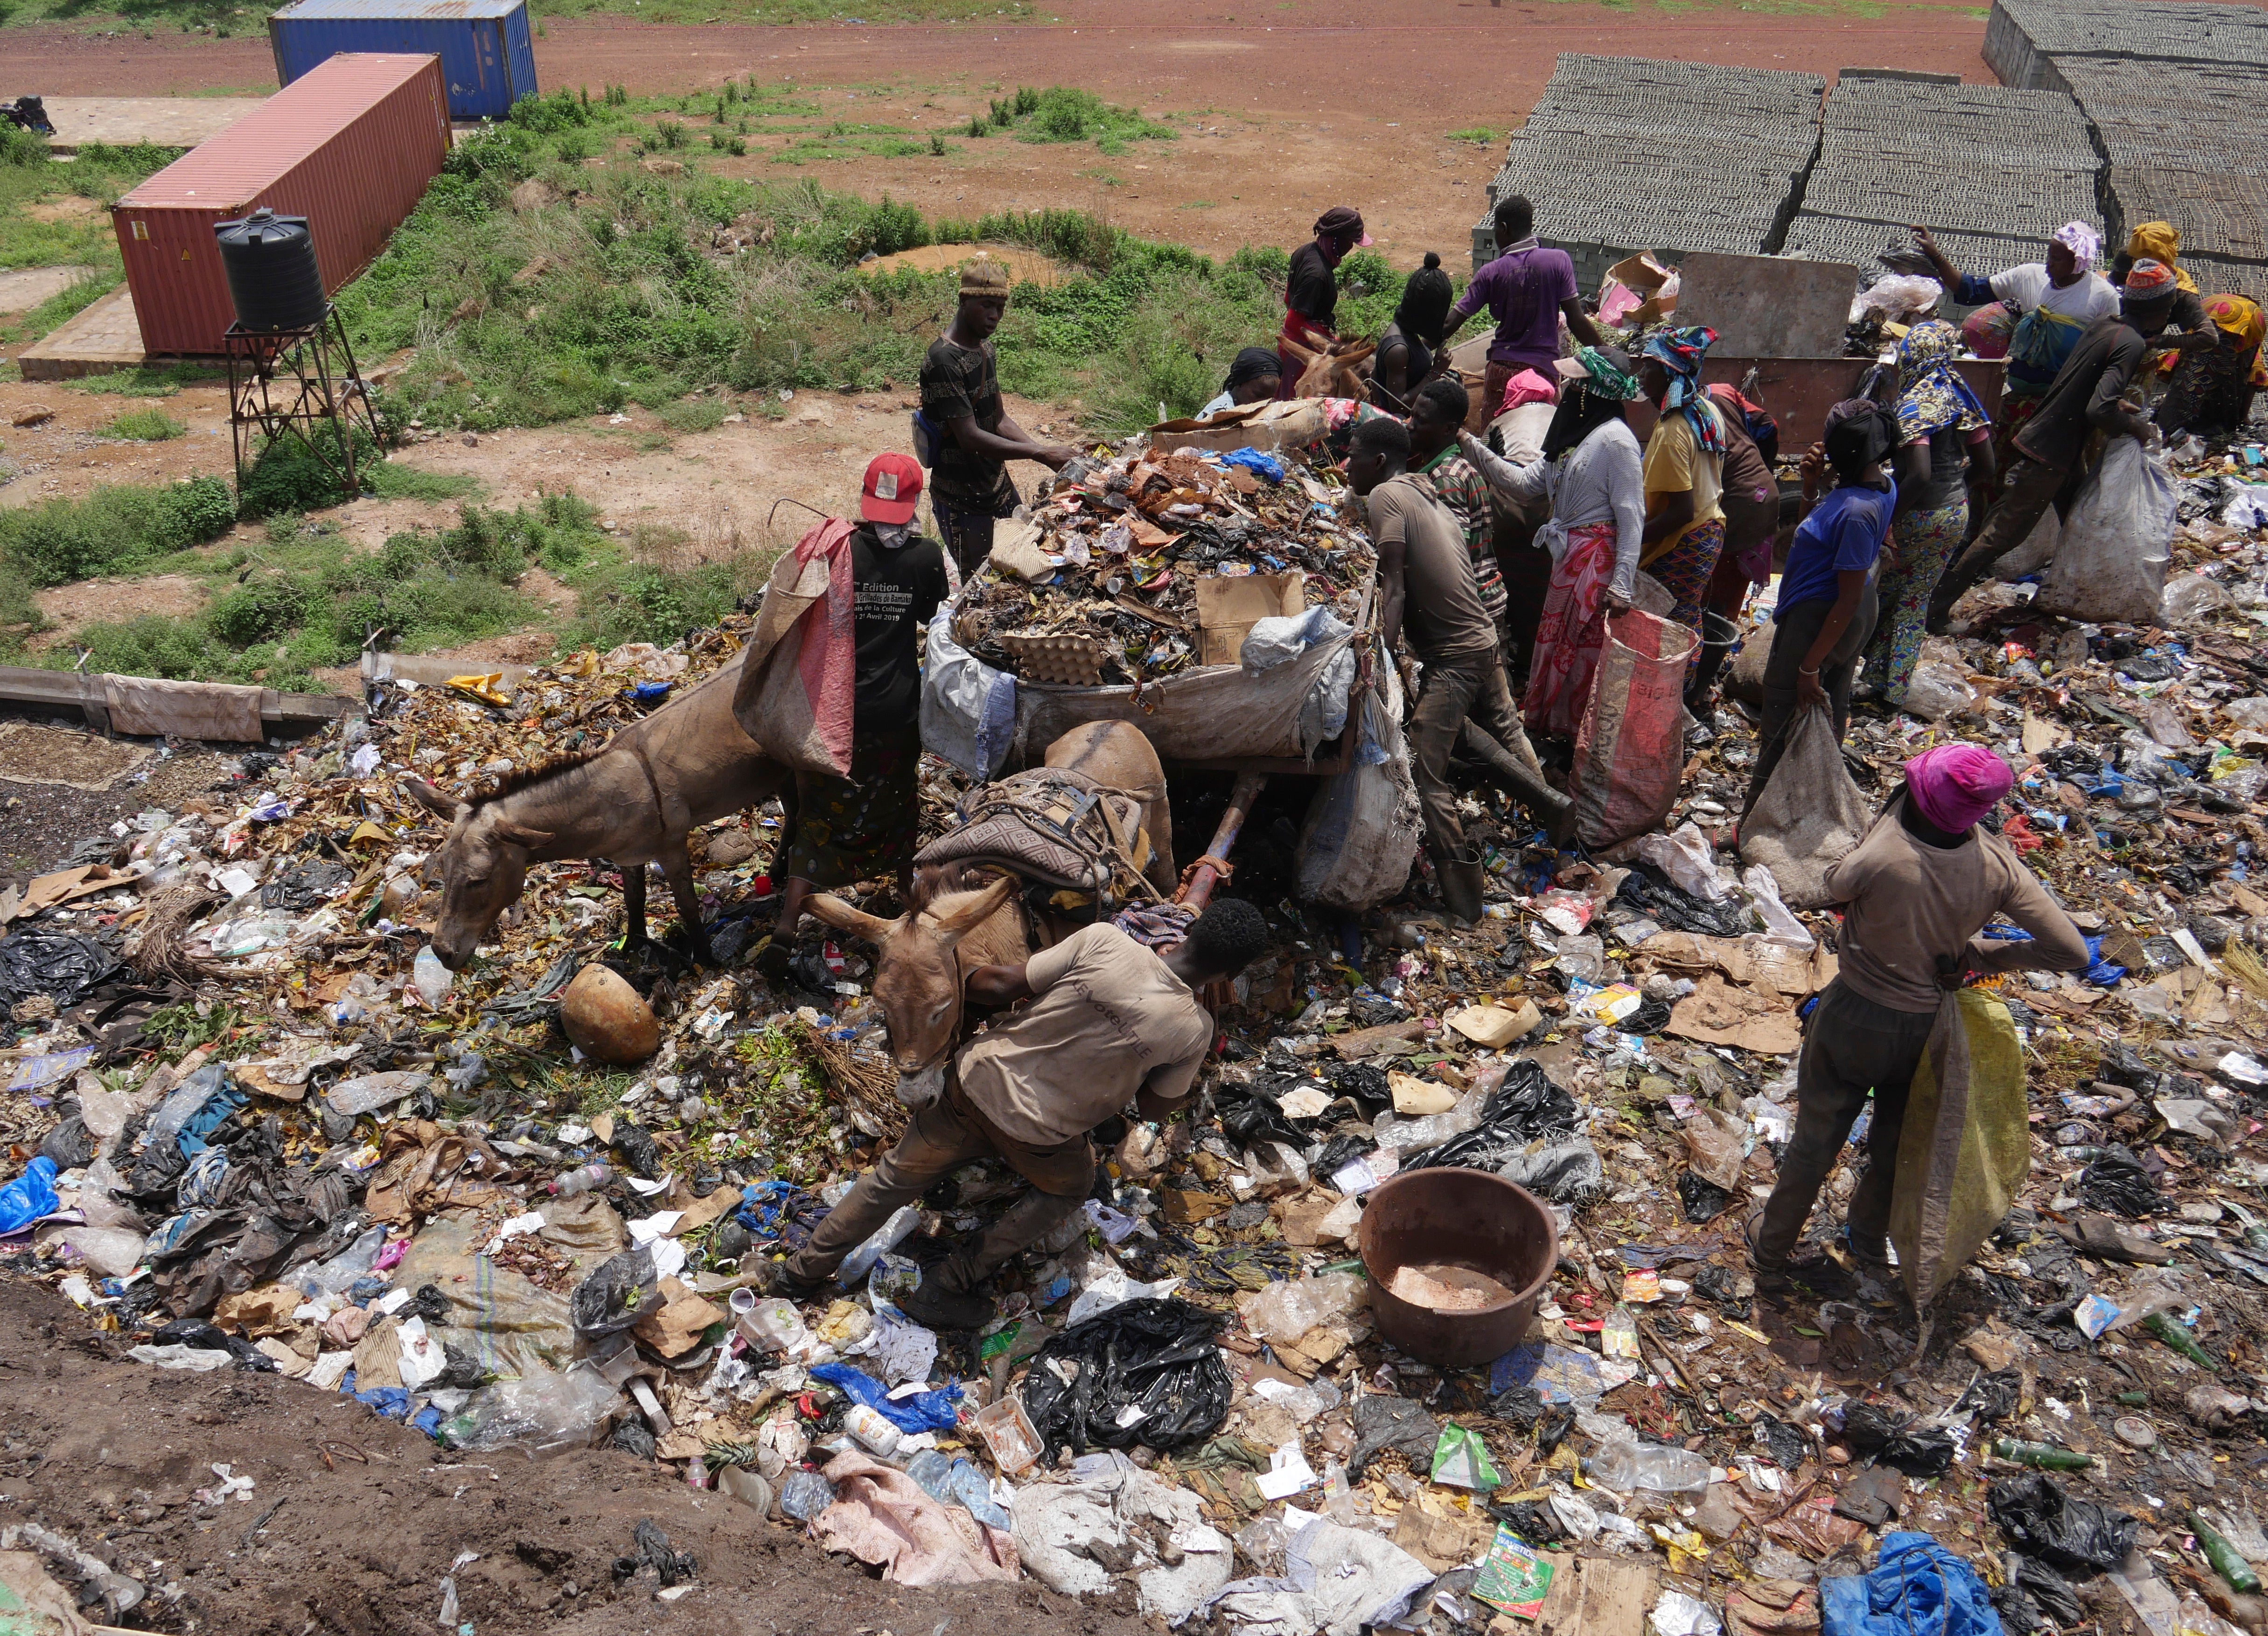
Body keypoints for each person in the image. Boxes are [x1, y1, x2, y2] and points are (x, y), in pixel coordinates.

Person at [762, 900, 1270, 1328]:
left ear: (1186, 932)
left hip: (970, 1086)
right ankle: (949, 1283)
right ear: (1231, 975)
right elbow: (1154, 1106)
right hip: (1037, 1137)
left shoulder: (1104, 941)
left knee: (890, 1180)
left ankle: (798, 1275)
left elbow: (1003, 986)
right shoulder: (1193, 1029)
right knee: (1072, 1187)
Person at [1745, 745, 2089, 1293]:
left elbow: (1834, 886)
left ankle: (1772, 1247)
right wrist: (1979, 955)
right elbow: (2070, 950)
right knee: (1895, 1143)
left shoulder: (1882, 855)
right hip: (1929, 1026)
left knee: (1816, 1140)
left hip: (1854, 1015)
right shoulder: (1997, 865)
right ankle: (1866, 1238)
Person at [1346, 416, 1565, 922]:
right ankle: (1553, 805)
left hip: (1456, 655)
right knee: (1464, 732)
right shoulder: (1426, 492)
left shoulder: (1384, 497)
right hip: (1481, 636)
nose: (1346, 465)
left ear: (1377, 461)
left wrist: (1380, 661)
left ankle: (1464, 901)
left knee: (1422, 768)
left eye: (1352, 455)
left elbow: (1394, 586)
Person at [1926, 259, 2188, 632]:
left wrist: (2117, 406)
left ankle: (2077, 594)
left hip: (2056, 438)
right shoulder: (2129, 344)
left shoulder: (2105, 326)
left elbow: (2084, 384)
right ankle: (1936, 608)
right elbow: (2098, 409)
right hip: (2052, 448)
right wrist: (2137, 427)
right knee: (2003, 534)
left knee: (2080, 519)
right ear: (2161, 311)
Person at [775, 454, 953, 939]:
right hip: (895, 708)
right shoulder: (925, 555)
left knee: (819, 813)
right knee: (897, 800)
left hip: (833, 709)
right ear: (914, 501)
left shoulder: (838, 551)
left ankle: (788, 923)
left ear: (866, 496)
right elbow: (932, 616)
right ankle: (906, 898)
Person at [1454, 345, 1646, 740]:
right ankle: (1553, 728)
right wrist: (1468, 443)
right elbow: (1523, 486)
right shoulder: (1574, 438)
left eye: (1575, 383)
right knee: (1558, 644)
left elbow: (1631, 515)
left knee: (1581, 652)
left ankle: (1574, 735)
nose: (1568, 390)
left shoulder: (1616, 441)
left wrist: (1621, 585)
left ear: (1590, 392)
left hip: (1595, 563)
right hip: (1568, 558)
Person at [1740, 400, 1896, 824]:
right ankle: (1810, 801)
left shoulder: (1856, 511)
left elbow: (1845, 598)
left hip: (1824, 614)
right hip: (1846, 609)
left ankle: (1755, 824)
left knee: (1782, 713)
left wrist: (1808, 666)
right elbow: (1813, 532)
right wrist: (1812, 485)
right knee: (1831, 703)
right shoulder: (1877, 486)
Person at [1859, 321, 1995, 709]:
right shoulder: (1960, 395)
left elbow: (1918, 474)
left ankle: (1867, 673)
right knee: (1914, 599)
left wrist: (1888, 518)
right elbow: (1986, 466)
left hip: (1916, 516)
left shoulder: (1916, 404)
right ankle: (1890, 688)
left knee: (1883, 593)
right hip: (1953, 514)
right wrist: (1954, 493)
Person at [1911, 221, 2117, 473]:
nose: (2049, 264)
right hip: (2016, 397)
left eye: (2057, 259)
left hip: (2059, 404)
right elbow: (1970, 291)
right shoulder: (2030, 277)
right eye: (2049, 256)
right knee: (1996, 468)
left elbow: (2108, 353)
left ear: (2078, 262)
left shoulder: (2102, 297)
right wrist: (1935, 254)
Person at [921, 254, 1081, 577]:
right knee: (983, 583)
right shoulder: (943, 361)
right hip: (962, 501)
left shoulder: (985, 350)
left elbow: (999, 420)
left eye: (1001, 307)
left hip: (997, 488)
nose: (995, 315)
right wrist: (1040, 453)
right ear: (964, 302)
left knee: (1022, 563)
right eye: (987, 305)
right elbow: (969, 438)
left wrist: (1046, 453)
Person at [1435, 196, 1602, 422]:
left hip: (1502, 373)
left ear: (1504, 228)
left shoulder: (1490, 273)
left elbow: (1449, 325)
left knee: (1494, 436)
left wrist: (1419, 347)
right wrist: (1607, 352)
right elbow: (1576, 321)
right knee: (1541, 437)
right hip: (1542, 374)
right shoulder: (1558, 261)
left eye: (1495, 229)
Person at [1686, 380, 1782, 714]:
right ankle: (1703, 675)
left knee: (1709, 592)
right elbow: (1769, 425)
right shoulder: (1722, 391)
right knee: (1725, 591)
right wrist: (1760, 463)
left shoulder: (1693, 407)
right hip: (1762, 492)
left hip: (1739, 501)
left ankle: (1696, 683)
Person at [1635, 326, 1729, 639]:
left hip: (1682, 540)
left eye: (1648, 368)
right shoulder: (1706, 410)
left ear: (1667, 373)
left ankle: (1682, 674)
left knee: (1661, 635)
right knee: (1684, 624)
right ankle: (1692, 672)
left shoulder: (1673, 430)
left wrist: (1629, 543)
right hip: (1710, 530)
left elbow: (1680, 512)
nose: (1640, 376)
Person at [1408, 377, 1508, 636]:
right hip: (1483, 598)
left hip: (1472, 607)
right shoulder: (1457, 466)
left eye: (1421, 421)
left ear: (1448, 429)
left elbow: (1452, 554)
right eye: (1412, 416)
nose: (1410, 425)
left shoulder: (1445, 478)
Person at [1279, 206, 1369, 398]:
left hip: (1302, 340)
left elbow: (1288, 297)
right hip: (1303, 349)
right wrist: (1329, 345)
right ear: (1336, 239)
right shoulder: (1317, 274)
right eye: (1350, 242)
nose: (1352, 247)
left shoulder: (1305, 250)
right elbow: (1293, 322)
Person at [2158, 293, 2268, 437]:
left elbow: (2183, 361)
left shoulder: (2219, 300)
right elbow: (2254, 374)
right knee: (2228, 378)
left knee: (2191, 372)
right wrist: (2243, 417)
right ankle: (2215, 429)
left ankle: (2172, 424)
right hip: (2247, 320)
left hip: (2208, 310)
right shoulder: (2252, 325)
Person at [1373, 252, 1455, 411]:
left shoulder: (1405, 332)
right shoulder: (1398, 350)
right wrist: (1436, 371)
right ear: (1427, 313)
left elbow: (1375, 375)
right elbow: (1398, 407)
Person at [1197, 347, 1284, 418]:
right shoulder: (1221, 414)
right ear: (1240, 384)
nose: (1264, 403)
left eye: (1269, 399)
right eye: (1258, 396)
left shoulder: (1256, 412)